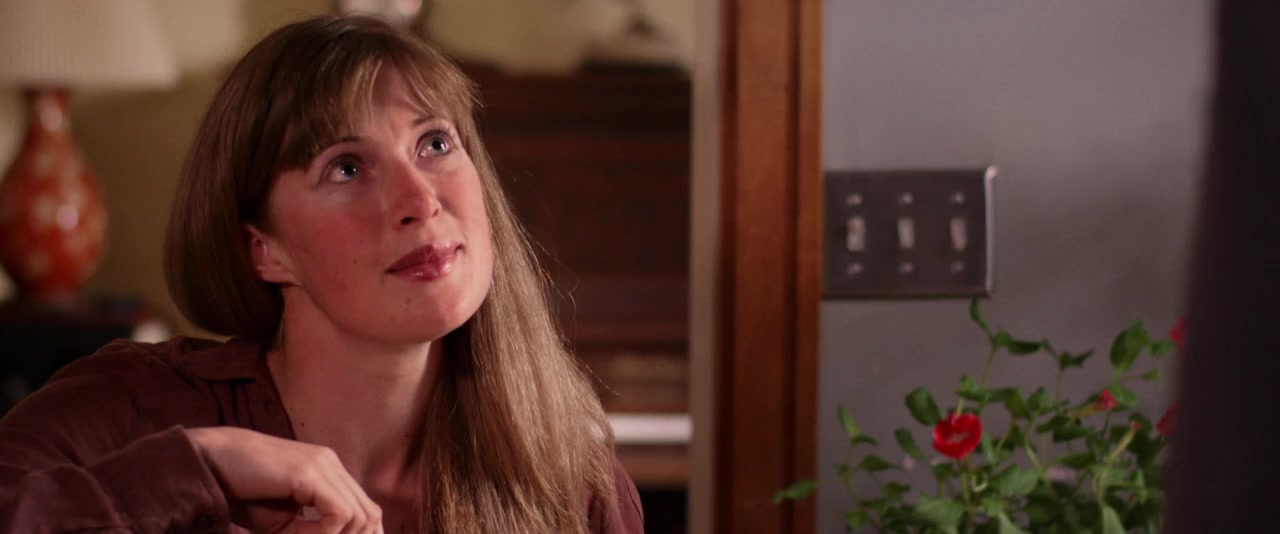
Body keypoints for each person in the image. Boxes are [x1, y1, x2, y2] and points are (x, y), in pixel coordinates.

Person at [0, 15, 643, 533]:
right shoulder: (129, 409)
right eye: (346, 168)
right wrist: (201, 466)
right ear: (264, 251)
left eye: (435, 144)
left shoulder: (575, 486)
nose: (421, 200)